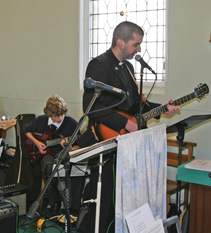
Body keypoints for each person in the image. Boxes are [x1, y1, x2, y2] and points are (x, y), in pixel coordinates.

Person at [77, 21, 180, 233]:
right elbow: (90, 106)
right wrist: (125, 123)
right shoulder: (99, 64)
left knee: (125, 197)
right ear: (120, 42)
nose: (139, 50)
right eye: (136, 44)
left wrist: (162, 108)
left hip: (128, 144)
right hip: (105, 140)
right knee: (105, 197)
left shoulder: (130, 68)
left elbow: (136, 106)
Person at [23, 95, 84, 218]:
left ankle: (75, 207)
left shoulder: (72, 123)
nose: (60, 118)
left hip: (66, 154)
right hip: (48, 154)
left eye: (62, 114)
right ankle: (54, 203)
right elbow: (26, 130)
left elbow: (79, 146)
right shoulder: (41, 120)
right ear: (49, 114)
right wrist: (37, 143)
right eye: (57, 116)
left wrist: (68, 147)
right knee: (47, 166)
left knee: (80, 168)